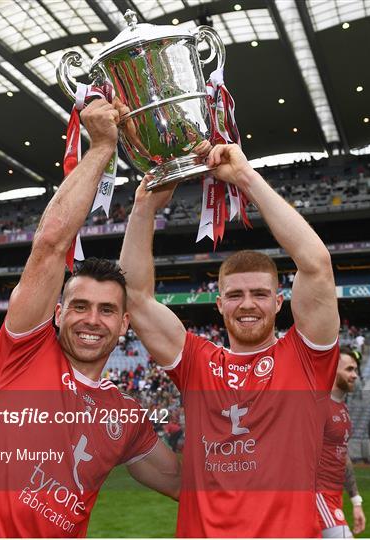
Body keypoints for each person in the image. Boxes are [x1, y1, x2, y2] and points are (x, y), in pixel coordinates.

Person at [0, 99, 180, 538]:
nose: (92, 320)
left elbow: (183, 483)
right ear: (58, 312)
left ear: (125, 325)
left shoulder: (125, 418)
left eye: (107, 310)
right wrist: (102, 147)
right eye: (80, 306)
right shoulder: (25, 352)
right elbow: (49, 244)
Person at [120, 143, 340, 537]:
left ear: (278, 301)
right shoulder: (197, 363)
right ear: (220, 304)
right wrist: (143, 208)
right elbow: (134, 298)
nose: (247, 304)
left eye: (259, 294)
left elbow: (316, 264)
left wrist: (245, 177)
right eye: (236, 295)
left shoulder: (307, 358)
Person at [316, 347, 366, 538]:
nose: (355, 375)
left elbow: (342, 456)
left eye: (356, 370)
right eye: (349, 369)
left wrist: (356, 501)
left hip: (334, 498)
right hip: (317, 497)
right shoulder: (315, 406)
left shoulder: (343, 410)